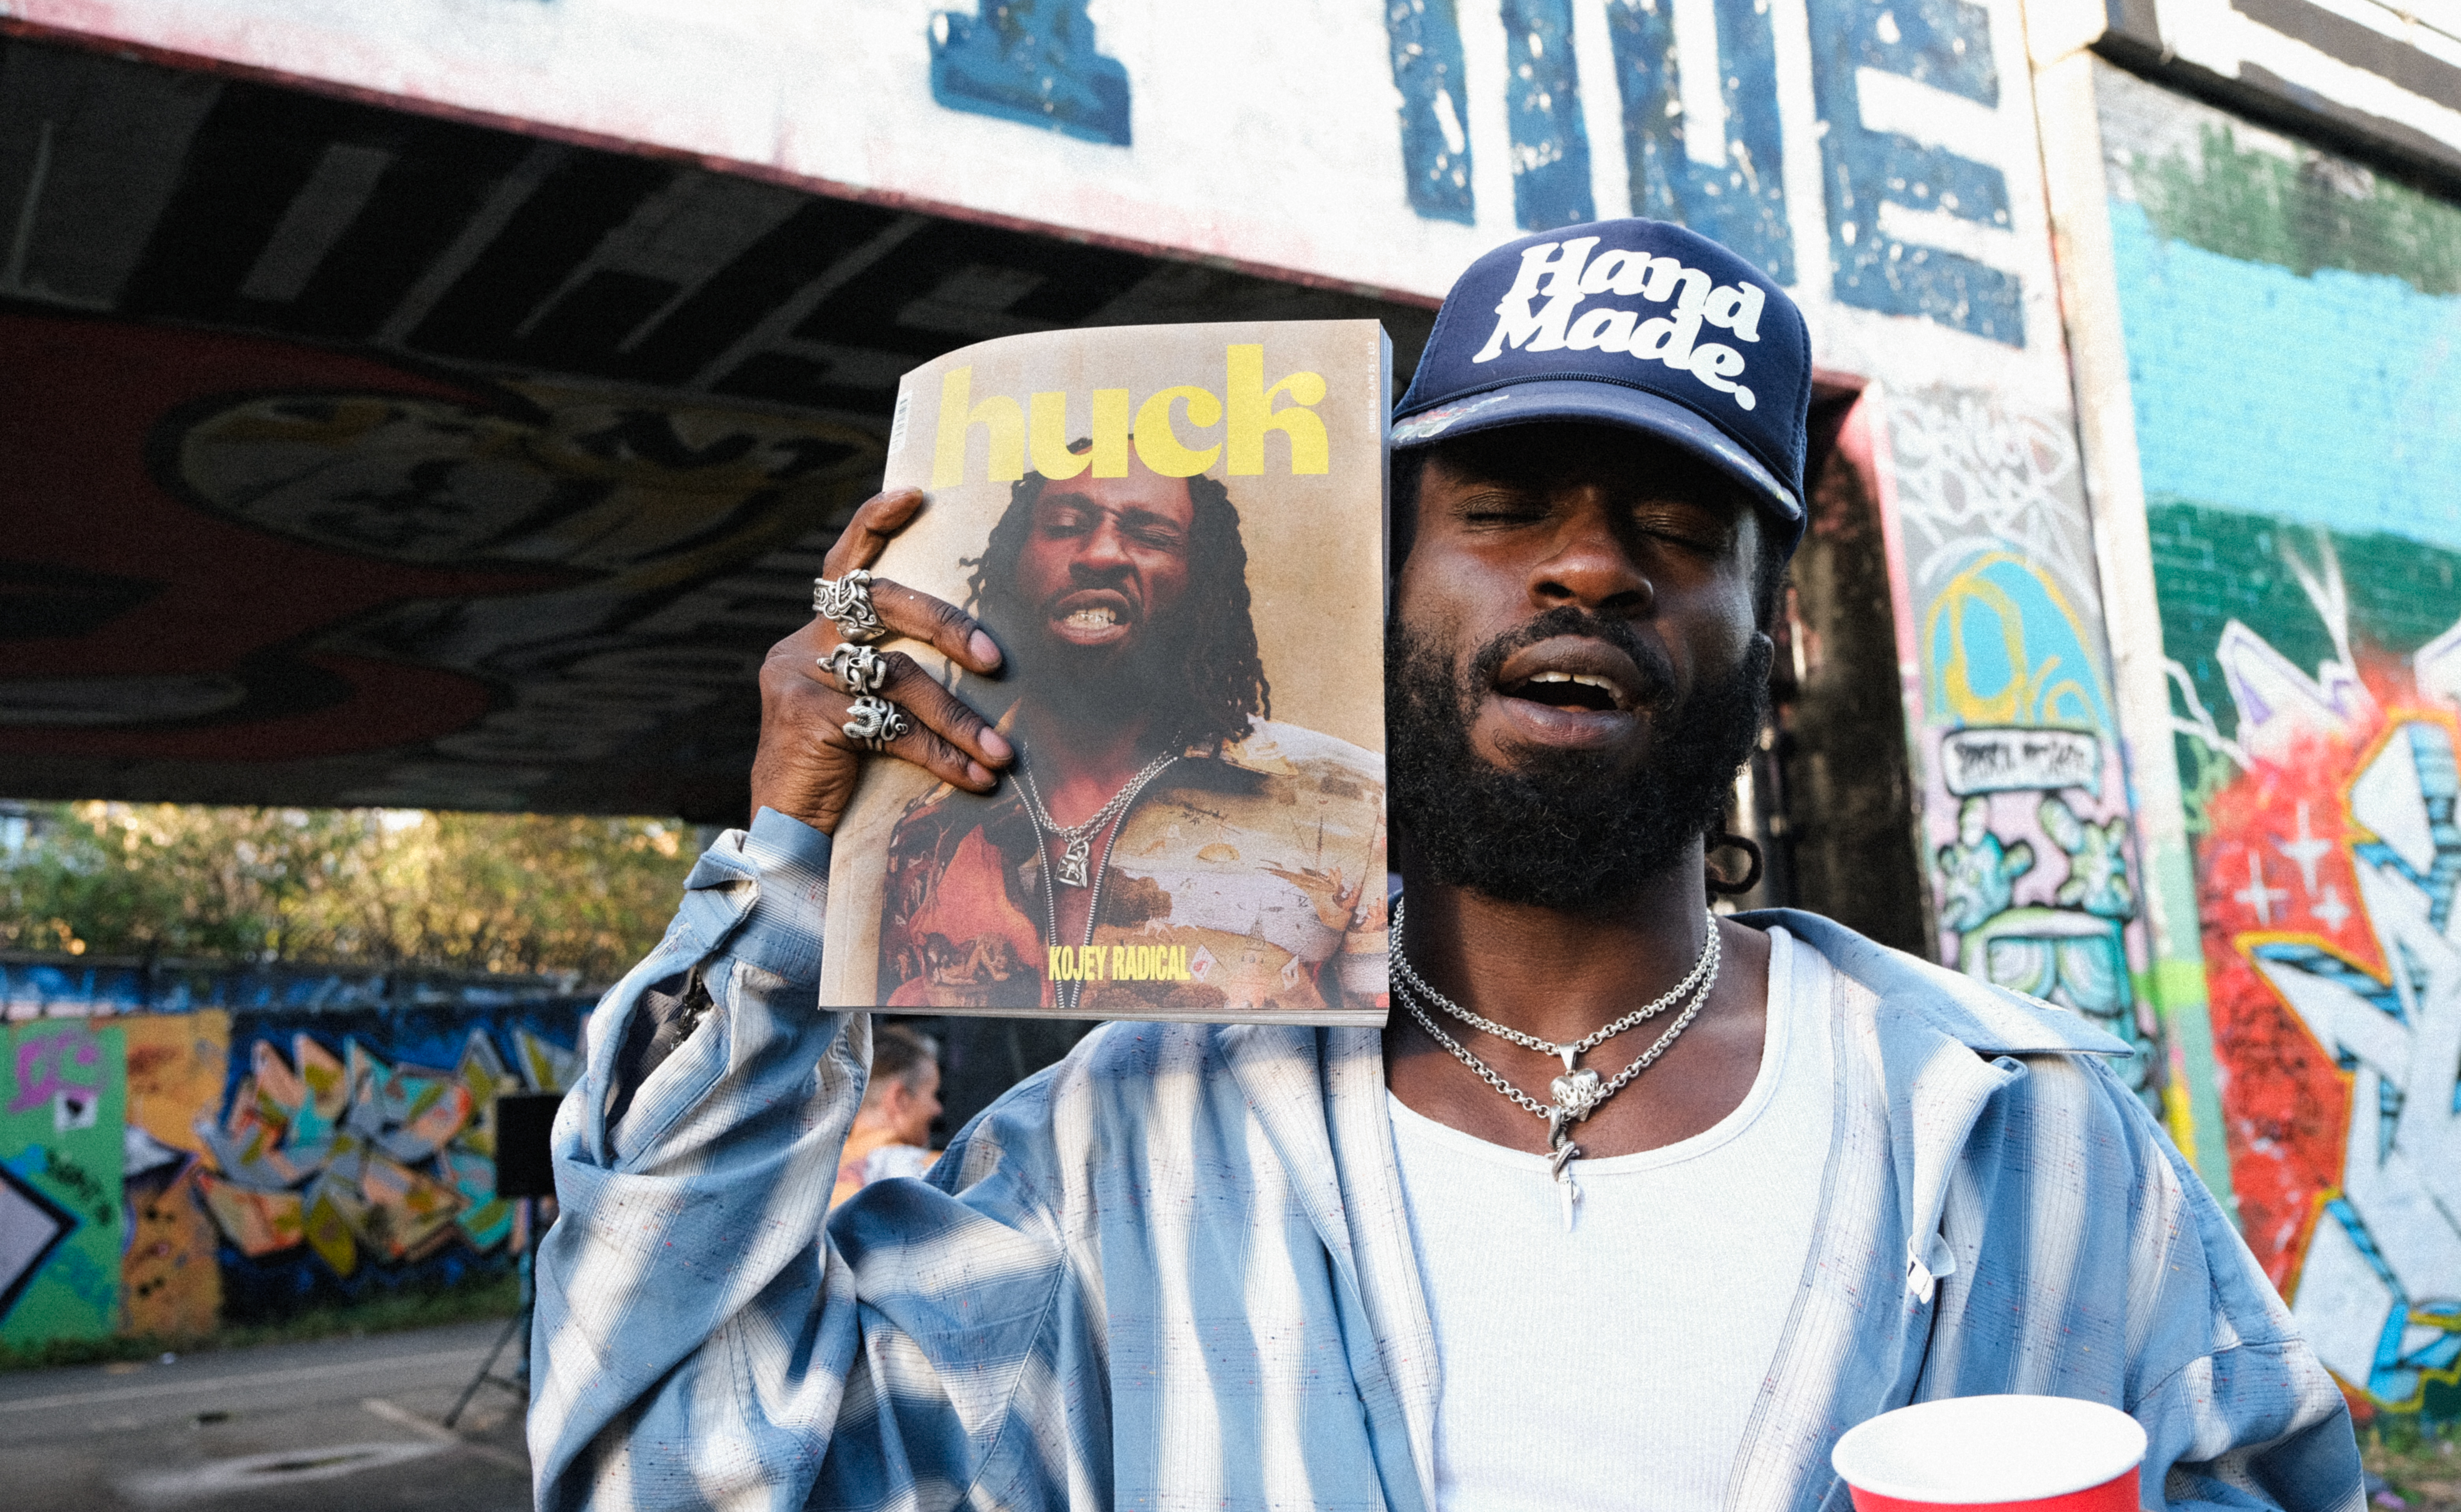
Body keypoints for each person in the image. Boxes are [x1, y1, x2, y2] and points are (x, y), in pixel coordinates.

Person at [532, 218, 2360, 1512]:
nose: (1585, 569)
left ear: (1765, 627)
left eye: (1671, 524)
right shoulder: (1117, 1151)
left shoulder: (2023, 1132)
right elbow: (675, 1471)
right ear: (1382, 585)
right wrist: (785, 874)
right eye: (1498, 511)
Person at [872, 444, 1386, 1015]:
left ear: (1203, 584)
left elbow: (1387, 1054)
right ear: (1012, 565)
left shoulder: (1347, 803)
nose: (1101, 554)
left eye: (1152, 536)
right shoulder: (923, 817)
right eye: (1067, 526)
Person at [828, 1021, 943, 1209]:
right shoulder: (939, 1173)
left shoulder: (809, 1171)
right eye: (933, 1094)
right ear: (899, 1099)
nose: (938, 1109)